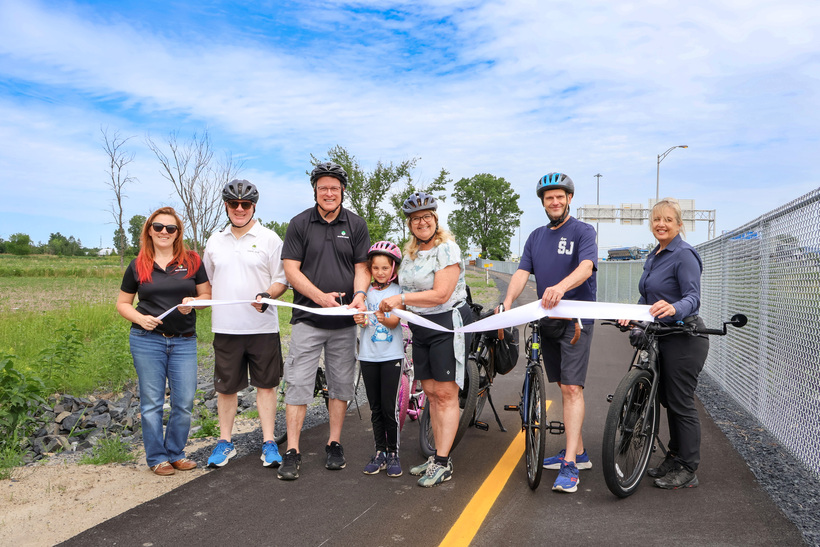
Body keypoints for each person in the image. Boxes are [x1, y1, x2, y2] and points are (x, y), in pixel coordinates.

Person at [501, 173, 597, 493]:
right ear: (543, 202)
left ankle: (570, 464)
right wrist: (507, 302)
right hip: (547, 320)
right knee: (561, 384)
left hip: (575, 320)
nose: (554, 202)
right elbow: (521, 273)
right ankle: (578, 452)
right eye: (548, 198)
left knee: (571, 388)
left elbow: (585, 268)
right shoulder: (535, 237)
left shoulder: (583, 231)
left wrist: (560, 287)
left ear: (569, 198)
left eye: (560, 197)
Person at [278, 161, 371, 480]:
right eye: (323, 188)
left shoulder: (356, 225)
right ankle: (292, 449)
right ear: (315, 191)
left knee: (341, 384)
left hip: (344, 321)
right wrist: (320, 297)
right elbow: (291, 270)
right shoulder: (299, 223)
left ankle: (334, 443)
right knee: (298, 384)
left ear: (342, 190)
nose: (328, 193)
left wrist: (360, 295)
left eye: (334, 187)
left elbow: (362, 267)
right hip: (308, 317)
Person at [379, 191, 473, 488]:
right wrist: (390, 314)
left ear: (435, 219)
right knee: (431, 394)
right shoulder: (410, 255)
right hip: (420, 328)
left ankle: (444, 462)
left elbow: (441, 294)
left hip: (446, 324)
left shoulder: (447, 249)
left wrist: (401, 298)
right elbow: (405, 301)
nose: (422, 222)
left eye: (427, 217)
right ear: (409, 224)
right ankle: (435, 457)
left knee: (446, 395)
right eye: (416, 218)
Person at [619, 198, 709, 490]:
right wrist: (631, 316)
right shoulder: (654, 255)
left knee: (680, 403)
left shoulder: (684, 254)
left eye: (668, 220)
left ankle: (688, 468)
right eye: (657, 219)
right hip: (661, 335)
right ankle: (674, 457)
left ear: (679, 225)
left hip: (685, 337)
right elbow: (646, 300)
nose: (661, 224)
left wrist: (674, 308)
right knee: (668, 401)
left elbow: (692, 297)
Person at [116, 207, 211, 476]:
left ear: (178, 233)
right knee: (152, 403)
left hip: (183, 341)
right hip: (147, 340)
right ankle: (157, 457)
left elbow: (206, 296)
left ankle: (176, 453)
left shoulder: (192, 261)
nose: (164, 232)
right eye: (158, 227)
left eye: (171, 228)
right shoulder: (138, 264)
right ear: (149, 230)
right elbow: (123, 303)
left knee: (184, 400)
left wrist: (194, 303)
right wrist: (139, 317)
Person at [202, 180, 289, 469]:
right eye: (233, 204)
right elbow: (211, 280)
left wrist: (268, 295)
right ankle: (225, 442)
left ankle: (268, 442)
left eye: (246, 204)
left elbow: (281, 280)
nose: (239, 209)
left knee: (266, 386)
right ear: (226, 206)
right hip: (226, 328)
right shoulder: (214, 241)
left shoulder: (270, 239)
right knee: (226, 388)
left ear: (254, 206)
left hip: (262, 327)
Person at [353, 241, 405, 478]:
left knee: (388, 408)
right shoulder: (366, 293)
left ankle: (393, 453)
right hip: (368, 356)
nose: (380, 272)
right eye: (376, 268)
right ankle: (380, 452)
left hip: (391, 357)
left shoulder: (397, 292)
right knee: (374, 408)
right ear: (370, 269)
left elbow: (395, 323)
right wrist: (362, 320)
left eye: (385, 268)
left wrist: (383, 316)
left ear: (393, 268)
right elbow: (364, 322)